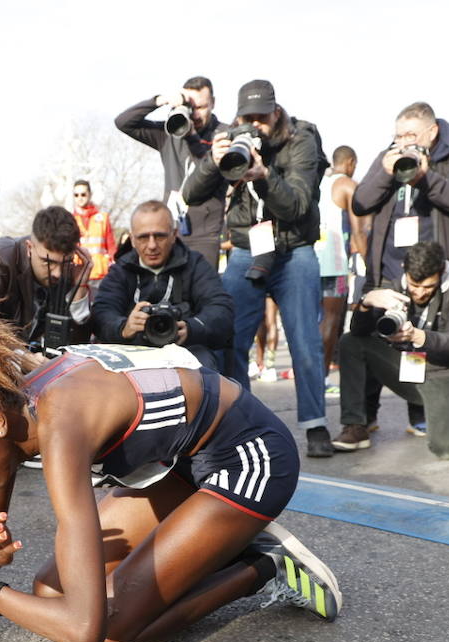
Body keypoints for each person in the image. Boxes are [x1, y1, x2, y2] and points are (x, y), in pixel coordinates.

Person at [0, 295, 341, 642]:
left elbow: (84, 628)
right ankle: (215, 542)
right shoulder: (12, 405)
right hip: (178, 463)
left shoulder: (60, 425)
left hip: (248, 456)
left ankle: (262, 568)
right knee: (49, 592)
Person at [181, 79, 335, 457]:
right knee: (229, 337)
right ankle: (241, 422)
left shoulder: (302, 139)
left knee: (305, 341)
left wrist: (265, 177)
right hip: (247, 249)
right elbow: (191, 195)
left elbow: (297, 206)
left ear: (276, 113)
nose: (254, 125)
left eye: (261, 118)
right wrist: (211, 162)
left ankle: (315, 425)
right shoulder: (229, 138)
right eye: (246, 117)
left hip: (294, 249)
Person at [351, 102, 449, 440]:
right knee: (371, 334)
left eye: (411, 134)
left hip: (433, 267)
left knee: (421, 334)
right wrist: (385, 171)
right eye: (398, 135)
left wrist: (424, 176)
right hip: (389, 266)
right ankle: (362, 418)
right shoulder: (388, 156)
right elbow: (361, 202)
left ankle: (421, 411)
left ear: (431, 132)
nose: (404, 141)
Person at [331, 242, 449, 460]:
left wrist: (417, 336)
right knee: (351, 342)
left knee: (447, 449)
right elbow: (359, 331)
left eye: (427, 287)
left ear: (441, 272)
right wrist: (365, 302)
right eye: (414, 285)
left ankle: (433, 413)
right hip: (411, 366)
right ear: (404, 270)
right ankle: (355, 425)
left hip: (446, 373)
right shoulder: (396, 285)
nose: (419, 292)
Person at [90, 200, 233, 370]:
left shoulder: (195, 265)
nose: (152, 245)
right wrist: (124, 327)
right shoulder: (120, 270)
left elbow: (221, 309)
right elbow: (101, 312)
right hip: (131, 354)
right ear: (133, 239)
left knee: (209, 372)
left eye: (160, 236)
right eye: (143, 237)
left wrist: (191, 328)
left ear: (174, 234)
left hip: (185, 353)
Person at [116, 77, 226, 267]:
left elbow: (207, 172)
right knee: (170, 292)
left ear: (213, 103)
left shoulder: (223, 135)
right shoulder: (170, 134)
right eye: (191, 107)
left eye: (201, 107)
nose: (196, 115)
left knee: (202, 292)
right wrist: (160, 100)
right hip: (171, 229)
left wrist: (192, 138)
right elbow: (123, 122)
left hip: (205, 233)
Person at [0, 205, 91, 347]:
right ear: (29, 248)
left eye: (66, 263)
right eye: (47, 262)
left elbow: (76, 347)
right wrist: (23, 358)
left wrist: (80, 288)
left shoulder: (67, 272)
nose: (57, 273)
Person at [315, 145, 365, 387]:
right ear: (351, 162)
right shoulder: (347, 185)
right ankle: (320, 379)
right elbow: (359, 231)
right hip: (335, 264)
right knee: (331, 322)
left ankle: (309, 376)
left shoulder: (318, 183)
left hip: (309, 261)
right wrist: (370, 265)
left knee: (310, 322)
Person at [71, 179, 116, 285]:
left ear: (90, 195)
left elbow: (112, 247)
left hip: (101, 275)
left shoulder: (103, 218)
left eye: (83, 194)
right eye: (76, 195)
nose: (80, 198)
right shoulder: (70, 220)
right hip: (78, 275)